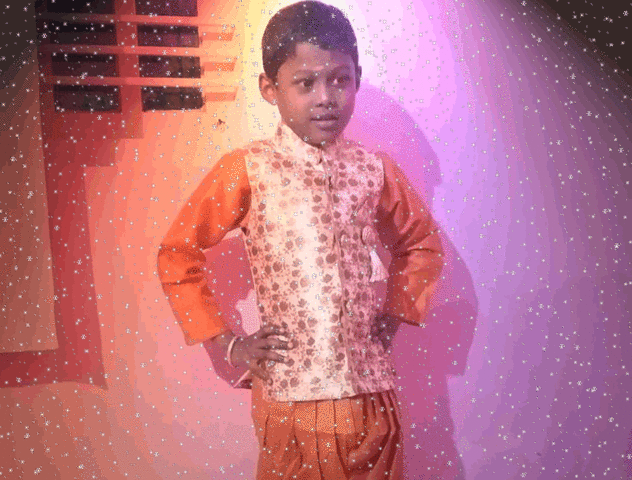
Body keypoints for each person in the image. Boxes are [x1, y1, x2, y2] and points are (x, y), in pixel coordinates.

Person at [157, 2, 444, 478]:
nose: (326, 98)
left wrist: (397, 311)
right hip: (292, 396)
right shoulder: (249, 169)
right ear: (270, 89)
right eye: (305, 83)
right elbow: (176, 254)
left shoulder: (374, 170)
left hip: (371, 393)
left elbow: (421, 244)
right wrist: (228, 342)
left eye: (339, 80)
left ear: (356, 79)